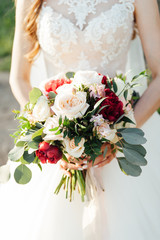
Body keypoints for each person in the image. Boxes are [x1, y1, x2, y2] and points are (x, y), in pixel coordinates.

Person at [0, 0, 160, 239]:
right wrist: (52, 133)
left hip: (122, 134)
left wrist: (117, 135)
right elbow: (19, 78)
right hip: (55, 138)